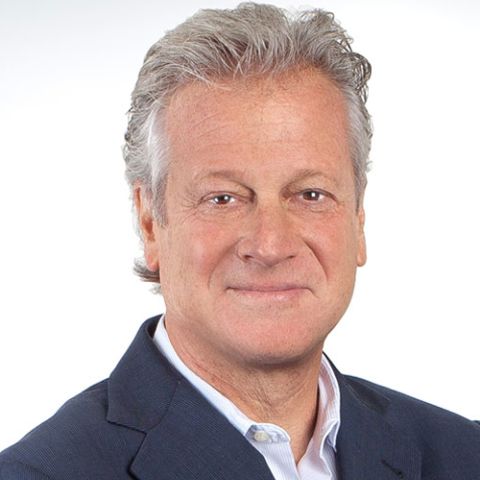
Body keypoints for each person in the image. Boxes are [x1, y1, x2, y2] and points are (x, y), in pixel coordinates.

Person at [1, 3, 479, 479]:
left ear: (358, 219)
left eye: (311, 194)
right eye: (223, 198)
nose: (270, 245)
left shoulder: (463, 454)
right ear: (149, 222)